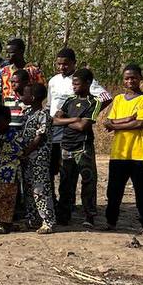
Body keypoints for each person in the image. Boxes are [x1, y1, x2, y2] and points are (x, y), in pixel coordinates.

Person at [102, 63, 143, 235]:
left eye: (134, 77)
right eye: (127, 78)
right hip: (118, 152)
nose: (130, 81)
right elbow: (107, 123)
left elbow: (140, 123)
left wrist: (116, 123)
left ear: (140, 78)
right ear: (123, 80)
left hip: (138, 153)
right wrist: (127, 120)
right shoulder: (118, 99)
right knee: (114, 191)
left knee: (142, 192)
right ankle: (111, 222)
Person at [47, 47, 110, 179]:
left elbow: (106, 97)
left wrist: (88, 113)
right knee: (54, 166)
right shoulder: (53, 80)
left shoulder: (81, 79)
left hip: (72, 132)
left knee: (79, 169)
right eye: (59, 64)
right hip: (55, 126)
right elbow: (50, 104)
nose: (62, 67)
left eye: (65, 64)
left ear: (74, 63)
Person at [53, 67, 100, 227]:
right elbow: (55, 120)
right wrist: (74, 119)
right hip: (66, 145)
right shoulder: (69, 100)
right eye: (73, 84)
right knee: (66, 182)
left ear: (88, 83)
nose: (74, 87)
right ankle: (64, 216)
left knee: (88, 181)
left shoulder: (94, 102)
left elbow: (83, 127)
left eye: (77, 84)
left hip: (83, 146)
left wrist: (66, 120)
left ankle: (89, 216)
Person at [0, 69, 28, 233]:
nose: (13, 85)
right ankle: (2, 220)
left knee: (9, 197)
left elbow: (19, 151)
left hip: (10, 172)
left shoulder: (13, 136)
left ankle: (6, 222)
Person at [19, 81, 57, 234]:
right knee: (28, 189)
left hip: (38, 158)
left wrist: (26, 151)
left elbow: (39, 138)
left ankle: (48, 221)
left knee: (40, 189)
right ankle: (32, 219)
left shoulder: (43, 115)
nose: (22, 96)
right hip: (28, 159)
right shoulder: (27, 113)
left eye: (25, 94)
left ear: (33, 97)